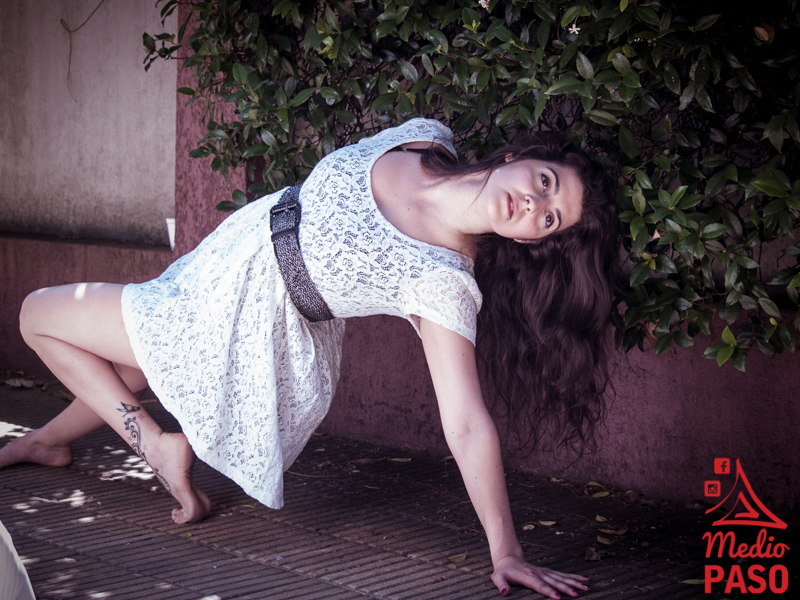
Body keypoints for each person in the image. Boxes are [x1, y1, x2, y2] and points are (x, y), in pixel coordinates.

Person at [0, 119, 619, 599]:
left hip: (246, 317)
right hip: (225, 262)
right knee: (133, 364)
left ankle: (157, 446)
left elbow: (465, 422)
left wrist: (506, 552)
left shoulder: (442, 281)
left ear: (533, 242)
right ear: (518, 158)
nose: (533, 205)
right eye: (545, 183)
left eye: (549, 220)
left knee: (38, 316)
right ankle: (47, 443)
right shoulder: (425, 139)